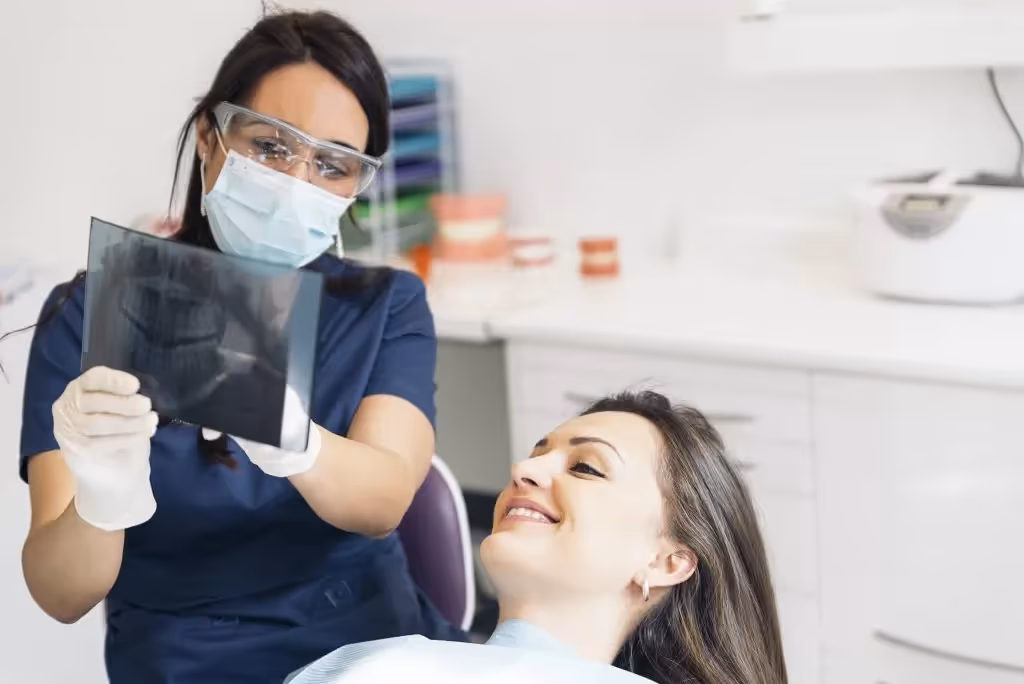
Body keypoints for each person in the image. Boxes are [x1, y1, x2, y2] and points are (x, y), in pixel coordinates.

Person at [17, 10, 464, 684]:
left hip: (370, 642)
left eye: (334, 165)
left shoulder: (384, 305)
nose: (298, 183)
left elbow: (382, 503)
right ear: (210, 136)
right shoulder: (90, 314)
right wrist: (103, 496)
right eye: (272, 147)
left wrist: (295, 440)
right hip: (184, 658)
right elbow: (61, 594)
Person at [288, 391, 788, 684]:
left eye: (587, 468)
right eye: (537, 451)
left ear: (666, 562)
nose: (524, 469)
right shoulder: (374, 667)